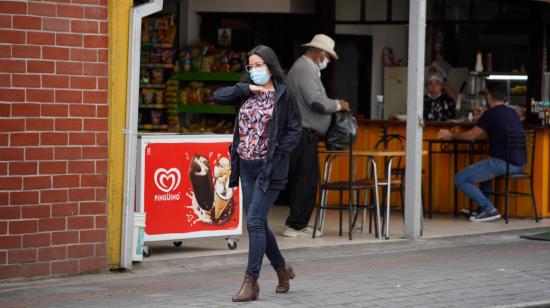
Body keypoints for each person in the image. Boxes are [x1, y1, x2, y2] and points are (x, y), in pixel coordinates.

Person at [213, 45, 302, 302]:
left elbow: (295, 130)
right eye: (250, 66)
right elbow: (218, 96)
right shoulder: (246, 93)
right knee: (259, 222)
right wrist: (247, 88)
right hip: (246, 167)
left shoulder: (284, 95)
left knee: (253, 222)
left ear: (270, 67)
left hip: (269, 169)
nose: (255, 70)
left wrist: (276, 155)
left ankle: (251, 282)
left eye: (259, 65)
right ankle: (282, 270)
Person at [282, 34, 351, 238]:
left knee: (305, 179)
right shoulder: (304, 69)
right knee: (305, 180)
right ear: (320, 53)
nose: (328, 60)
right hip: (302, 133)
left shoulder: (306, 69)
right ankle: (295, 225)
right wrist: (338, 104)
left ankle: (298, 223)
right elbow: (316, 102)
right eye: (328, 56)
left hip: (303, 133)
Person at [439, 82, 526, 222]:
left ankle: (489, 209)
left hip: (502, 162)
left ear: (489, 96)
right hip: (519, 163)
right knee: (485, 172)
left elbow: (472, 135)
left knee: (460, 178)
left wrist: (451, 135)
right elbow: (488, 133)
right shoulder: (512, 112)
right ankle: (482, 208)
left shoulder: (491, 113)